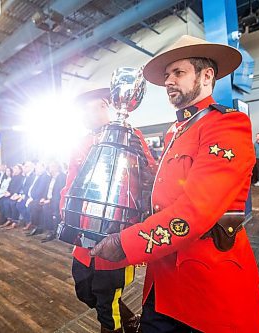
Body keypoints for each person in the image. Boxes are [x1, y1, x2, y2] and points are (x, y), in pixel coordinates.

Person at [90, 35, 259, 333]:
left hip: (206, 276)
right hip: (164, 275)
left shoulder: (226, 124)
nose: (169, 81)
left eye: (178, 72)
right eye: (166, 76)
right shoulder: (177, 129)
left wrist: (125, 244)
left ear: (207, 75)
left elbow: (196, 210)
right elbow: (163, 191)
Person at [60, 88, 156, 333]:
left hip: (116, 235)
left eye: (86, 109)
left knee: (107, 302)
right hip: (83, 236)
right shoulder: (81, 142)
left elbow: (150, 178)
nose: (81, 115)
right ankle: (130, 318)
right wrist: (64, 212)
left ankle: (119, 323)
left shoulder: (131, 136)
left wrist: (142, 160)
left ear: (104, 105)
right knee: (84, 291)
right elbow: (70, 182)